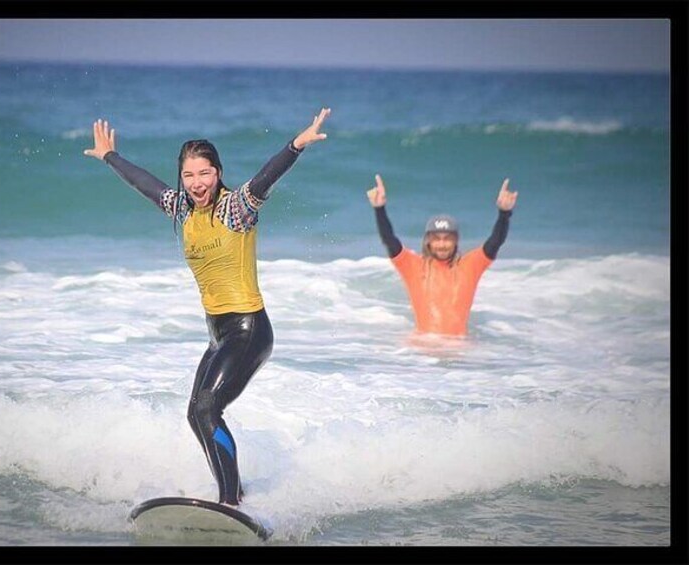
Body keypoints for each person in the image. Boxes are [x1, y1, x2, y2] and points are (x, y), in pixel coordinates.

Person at [84, 108, 331, 506]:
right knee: (195, 414)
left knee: (206, 407)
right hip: (218, 336)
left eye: (205, 173)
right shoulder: (182, 209)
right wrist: (110, 156)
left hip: (249, 330)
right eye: (188, 175)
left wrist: (296, 145)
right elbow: (145, 185)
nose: (197, 183)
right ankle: (237, 492)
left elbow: (266, 178)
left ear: (217, 172)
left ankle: (230, 502)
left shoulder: (237, 208)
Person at [366, 174, 518, 336]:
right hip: (420, 351)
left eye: (447, 239)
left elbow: (495, 242)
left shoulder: (470, 265)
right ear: (428, 242)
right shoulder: (413, 266)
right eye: (436, 239)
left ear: (456, 241)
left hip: (458, 349)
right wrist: (379, 209)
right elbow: (389, 240)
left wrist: (504, 214)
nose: (442, 244)